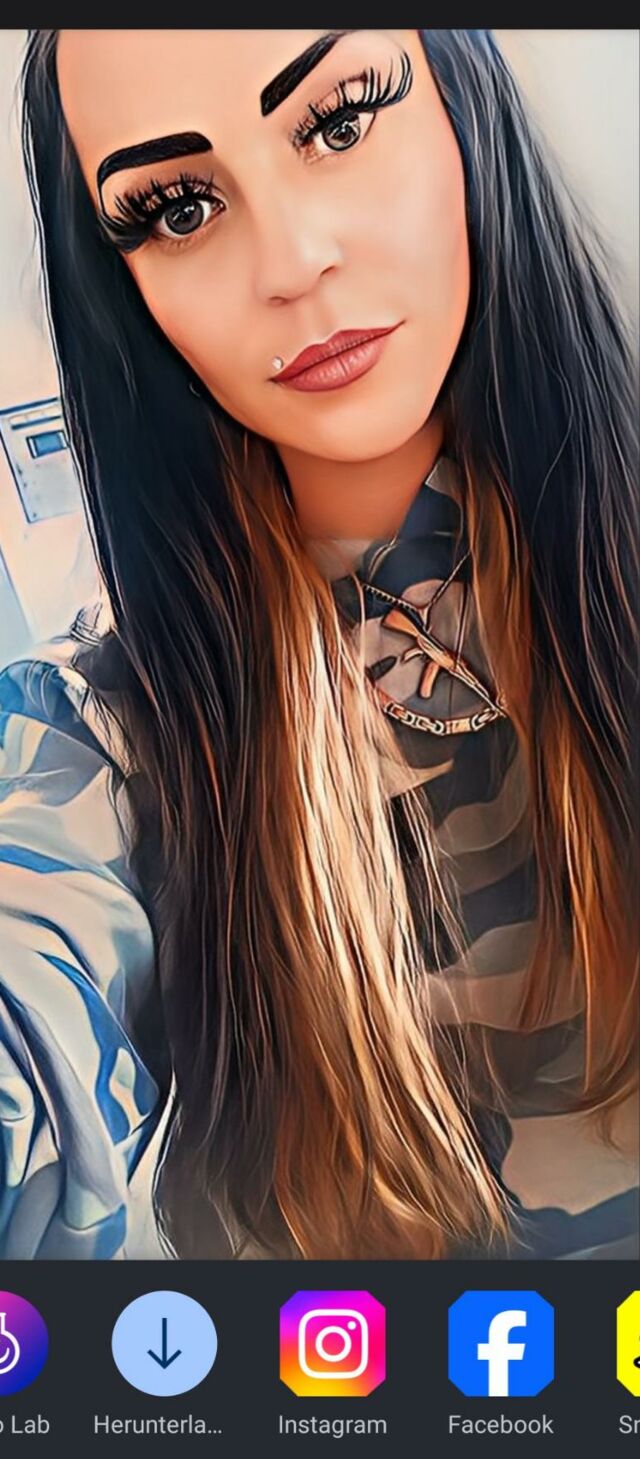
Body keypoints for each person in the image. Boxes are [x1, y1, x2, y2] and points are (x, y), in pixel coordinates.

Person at [0, 28, 637, 1261]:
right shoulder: (105, 737)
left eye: (338, 122)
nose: (293, 263)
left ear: (461, 109)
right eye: (179, 208)